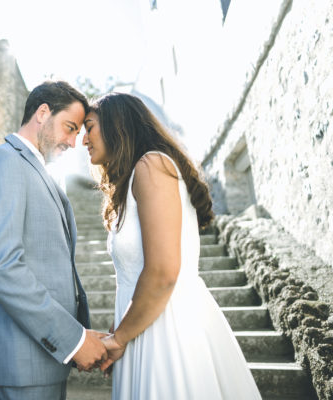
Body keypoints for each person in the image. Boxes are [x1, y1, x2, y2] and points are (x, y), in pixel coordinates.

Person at [82, 92, 262, 399]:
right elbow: (132, 275)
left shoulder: (151, 166)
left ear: (117, 125)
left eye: (89, 126)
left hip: (168, 329)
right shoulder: (134, 179)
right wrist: (117, 332)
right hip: (141, 325)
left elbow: (164, 270)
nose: (84, 139)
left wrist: (120, 338)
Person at [0, 81, 108, 400]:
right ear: (43, 113)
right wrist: (73, 339)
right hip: (18, 361)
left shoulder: (41, 172)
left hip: (45, 358)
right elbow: (1, 266)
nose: (73, 142)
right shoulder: (0, 162)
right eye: (69, 128)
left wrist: (80, 336)